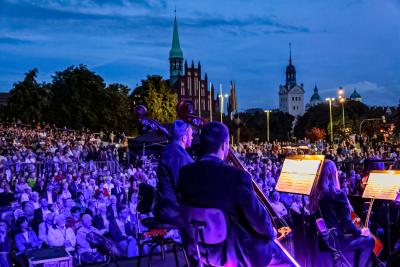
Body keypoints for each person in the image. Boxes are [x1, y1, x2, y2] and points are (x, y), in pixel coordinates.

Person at [178, 122, 285, 267]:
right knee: (284, 258)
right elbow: (259, 221)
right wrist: (271, 232)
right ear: (224, 146)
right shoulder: (236, 177)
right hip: (238, 255)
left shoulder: (185, 175)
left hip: (200, 252)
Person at [310, 159, 374, 267]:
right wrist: (360, 231)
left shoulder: (314, 194)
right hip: (334, 241)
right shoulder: (338, 194)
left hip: (319, 240)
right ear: (333, 174)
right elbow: (347, 225)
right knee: (369, 240)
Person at [155, 120, 193, 224]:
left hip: (168, 207)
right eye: (191, 135)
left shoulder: (171, 150)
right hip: (173, 212)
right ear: (184, 138)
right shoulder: (178, 155)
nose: (192, 138)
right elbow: (183, 187)